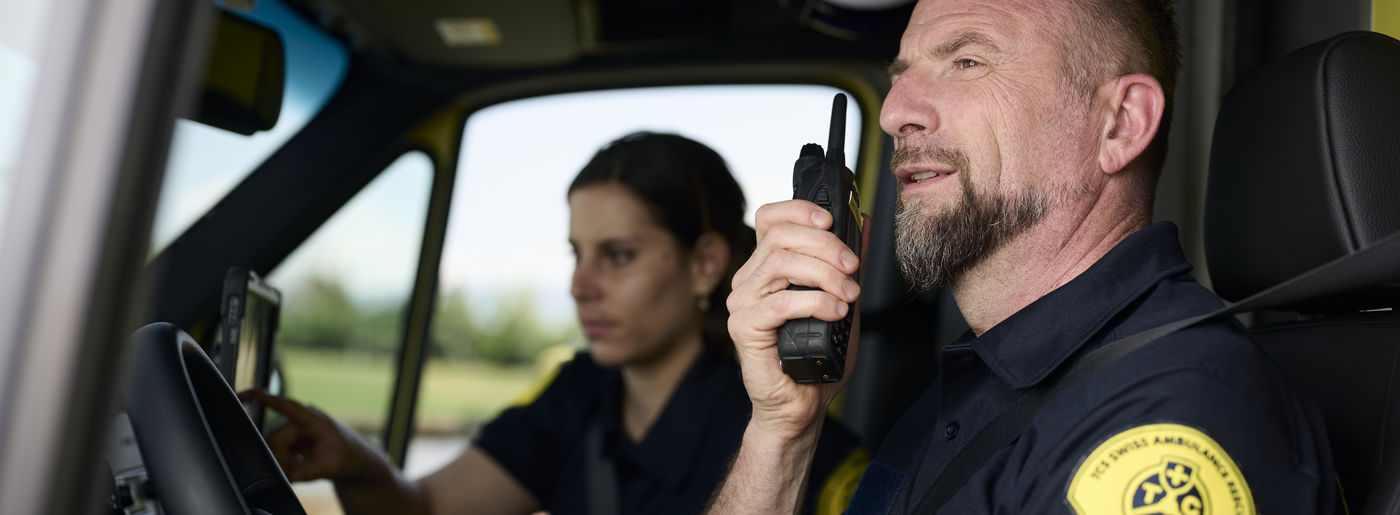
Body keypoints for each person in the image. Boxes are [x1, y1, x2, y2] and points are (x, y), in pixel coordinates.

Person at [709, 0, 1338, 513]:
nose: (896, 112)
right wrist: (782, 433)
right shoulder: (967, 388)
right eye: (901, 74)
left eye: (967, 61)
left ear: (1119, 124)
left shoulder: (1172, 414)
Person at [255, 132, 867, 515]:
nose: (580, 286)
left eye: (617, 255)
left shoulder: (786, 430)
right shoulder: (578, 394)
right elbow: (429, 507)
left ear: (704, 263)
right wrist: (355, 461)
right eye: (577, 253)